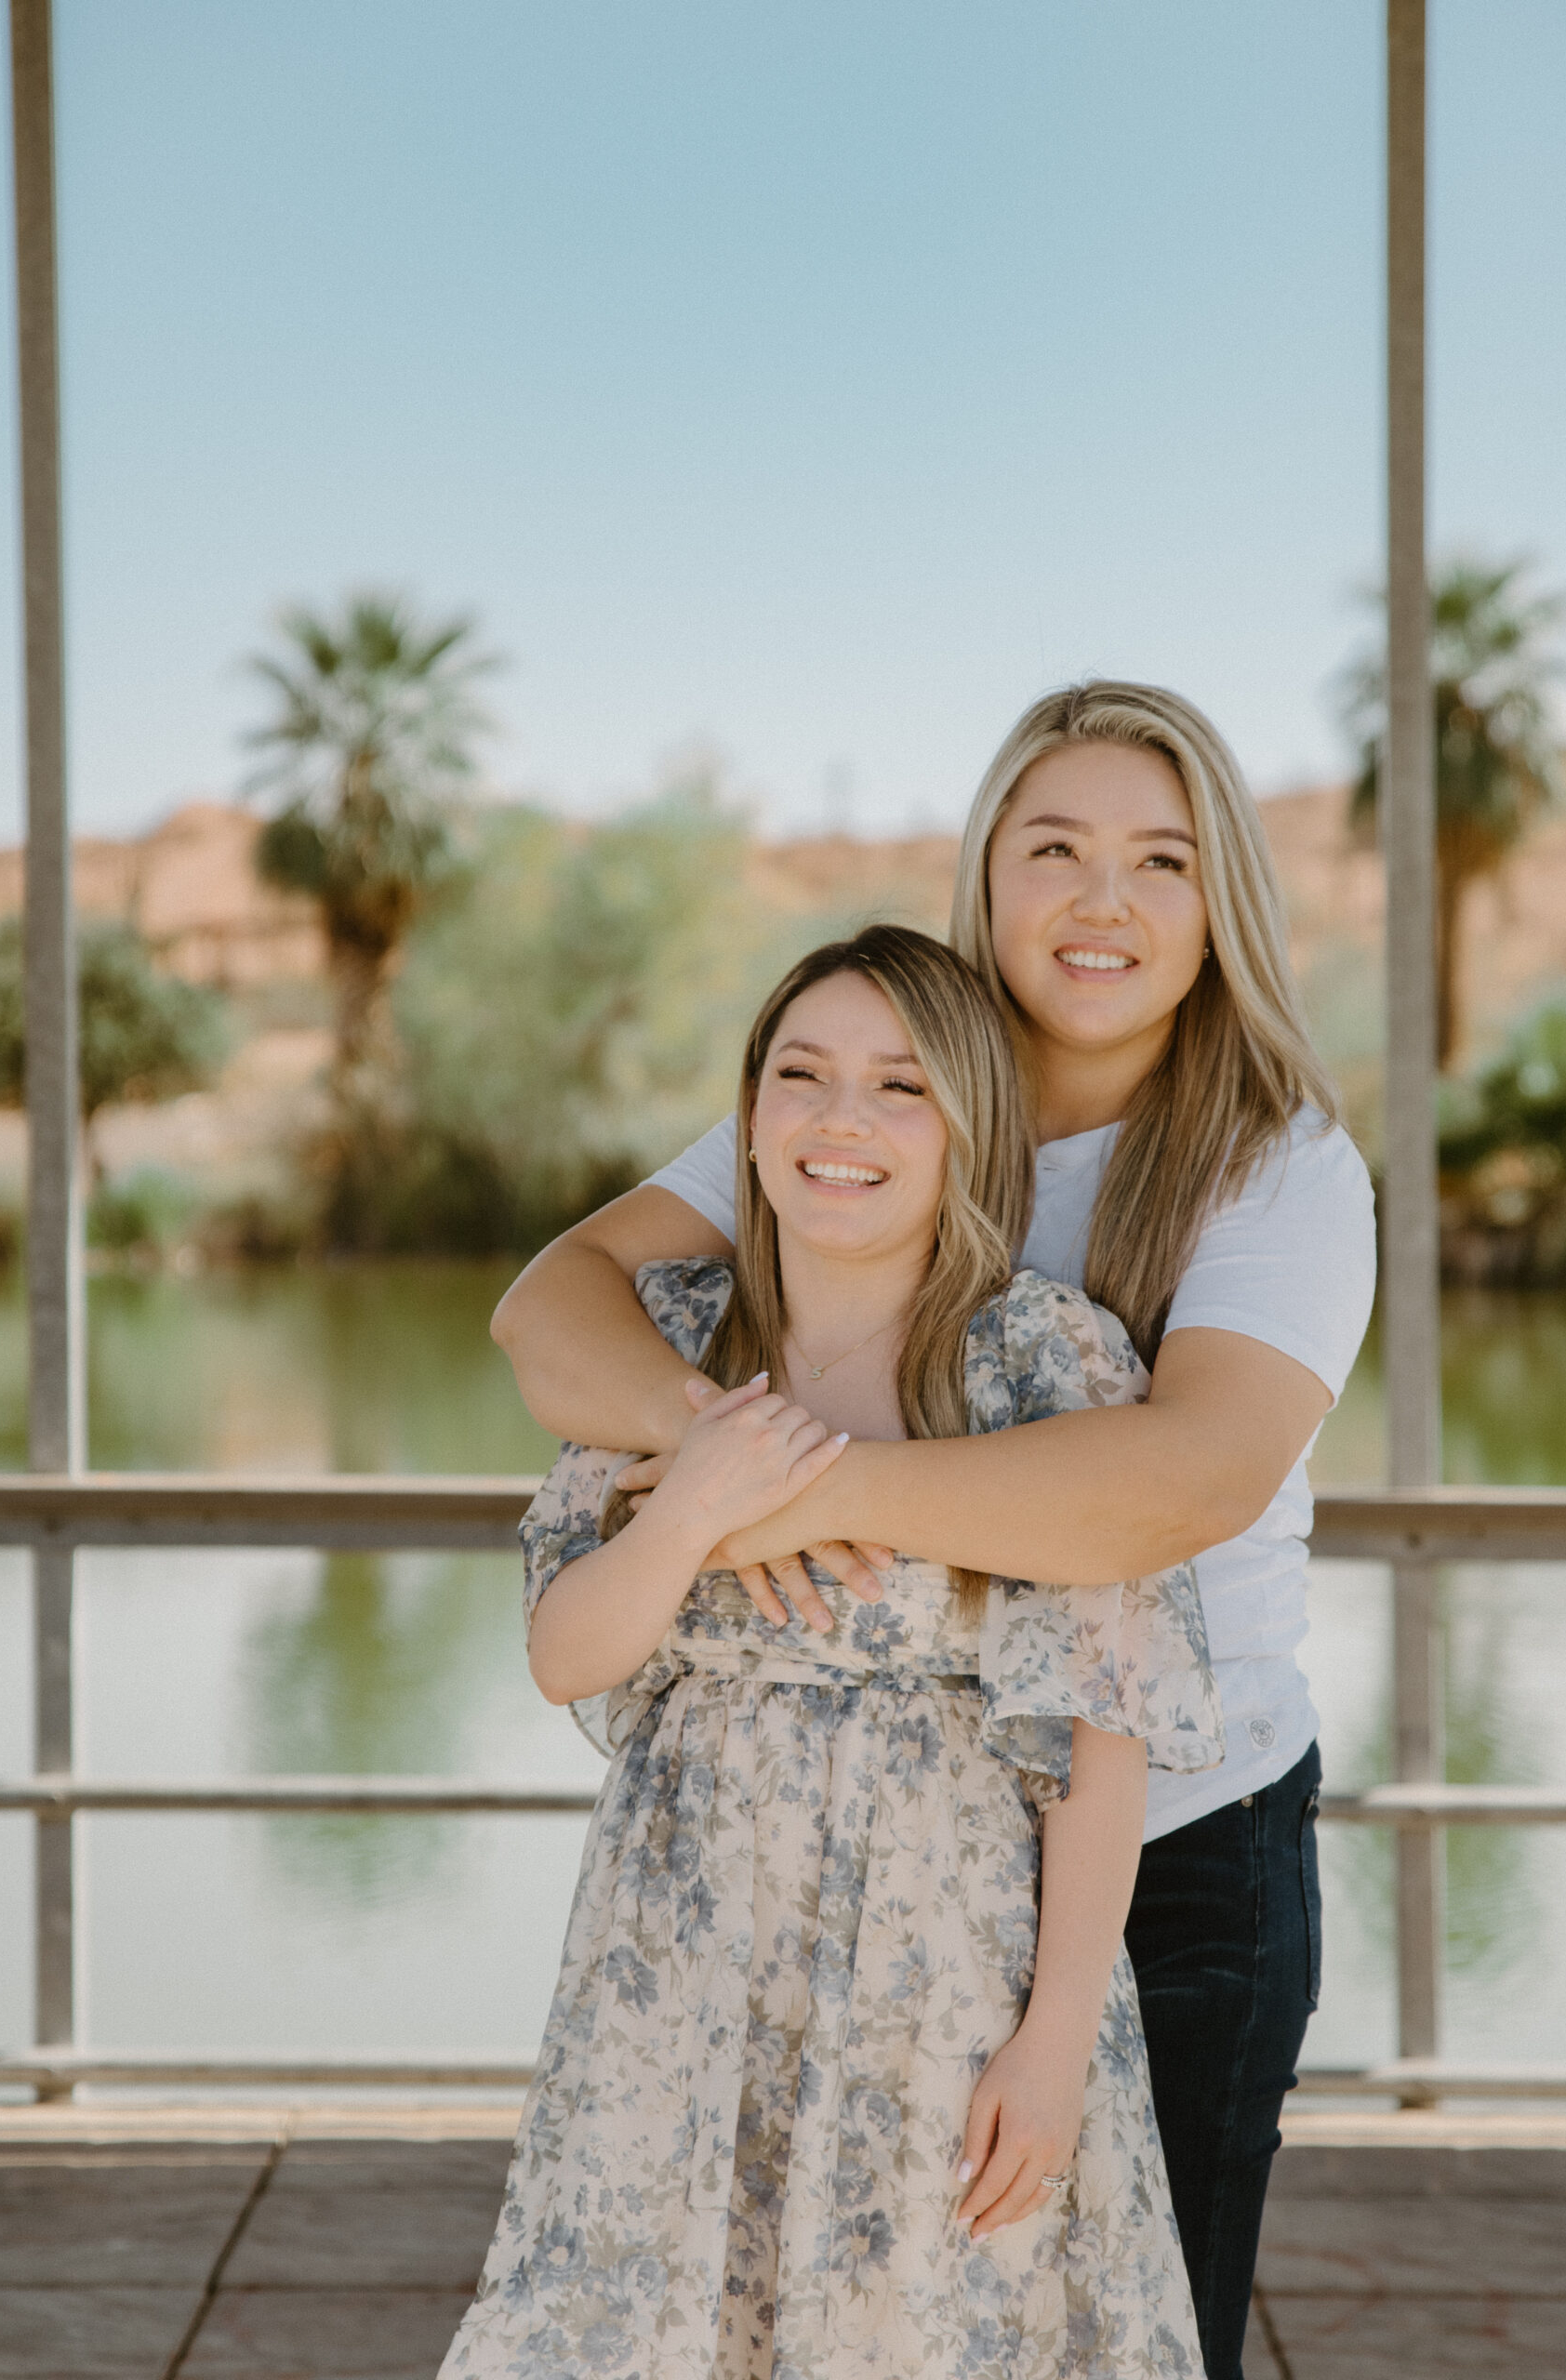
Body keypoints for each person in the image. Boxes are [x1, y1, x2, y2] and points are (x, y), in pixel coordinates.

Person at [491, 682, 1378, 2380]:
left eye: (1159, 862)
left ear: (1220, 910)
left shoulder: (1277, 1164)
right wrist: (710, 1452)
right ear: (987, 873)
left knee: (1107, 2330)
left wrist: (797, 1494)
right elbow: (556, 1304)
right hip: (821, 1882)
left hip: (1170, 1845)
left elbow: (1175, 1487)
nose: (1098, 901)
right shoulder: (871, 1084)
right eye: (1053, 848)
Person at [441, 925, 1225, 2380]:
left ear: (968, 1127)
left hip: (948, 1979)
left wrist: (1053, 2043)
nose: (841, 1120)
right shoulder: (665, 1343)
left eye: (900, 1087)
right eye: (800, 1075)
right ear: (747, 1117)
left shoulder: (1045, 1362)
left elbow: (1098, 1743)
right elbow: (565, 1655)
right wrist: (696, 1508)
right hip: (675, 1966)